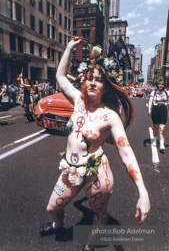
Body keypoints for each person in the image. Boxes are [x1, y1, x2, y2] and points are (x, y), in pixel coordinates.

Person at [40, 37, 150, 250]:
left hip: (96, 172)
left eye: (98, 80)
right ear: (83, 80)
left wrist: (142, 192)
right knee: (53, 207)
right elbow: (60, 76)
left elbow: (126, 152)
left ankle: (91, 243)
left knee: (100, 213)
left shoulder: (110, 117)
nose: (92, 82)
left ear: (106, 87)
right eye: (89, 78)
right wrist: (70, 47)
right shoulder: (77, 101)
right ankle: (57, 224)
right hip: (71, 170)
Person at [148, 78, 169, 151]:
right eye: (159, 84)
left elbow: (168, 101)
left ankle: (162, 144)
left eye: (162, 84)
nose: (161, 85)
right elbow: (150, 101)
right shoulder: (154, 92)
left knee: (162, 128)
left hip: (163, 110)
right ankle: (154, 140)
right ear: (157, 85)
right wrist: (149, 109)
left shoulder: (166, 92)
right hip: (156, 109)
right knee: (156, 126)